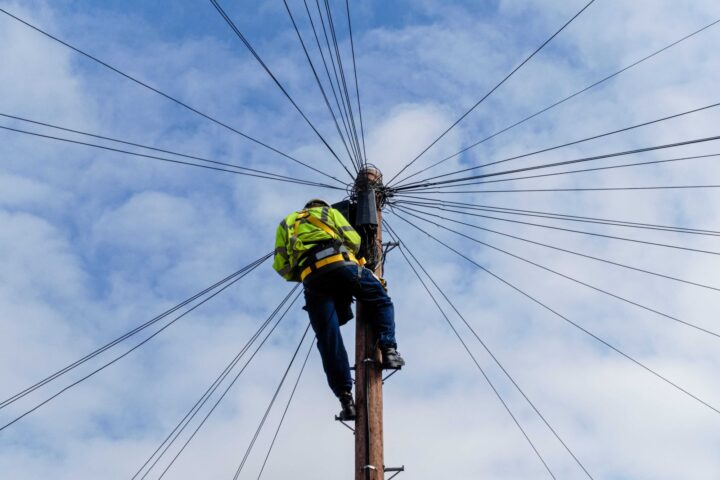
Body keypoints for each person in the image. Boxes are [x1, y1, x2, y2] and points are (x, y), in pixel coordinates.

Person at [273, 199, 405, 421]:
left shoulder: (286, 223)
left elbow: (281, 266)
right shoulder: (330, 213)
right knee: (381, 300)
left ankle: (346, 399)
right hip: (341, 264)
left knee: (328, 338)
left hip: (312, 280)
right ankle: (389, 351)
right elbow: (353, 239)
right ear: (321, 206)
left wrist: (307, 270)